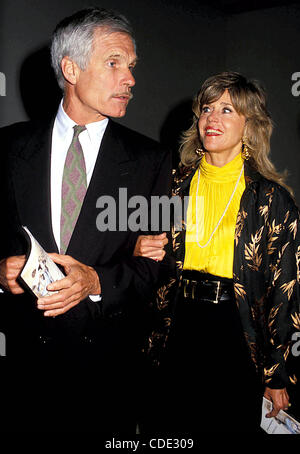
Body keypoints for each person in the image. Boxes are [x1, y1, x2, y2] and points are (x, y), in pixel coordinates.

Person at [0, 7, 171, 432]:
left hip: (107, 377)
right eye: (114, 63)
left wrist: (97, 282)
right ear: (71, 68)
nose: (130, 78)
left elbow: (165, 261)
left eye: (131, 66)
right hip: (26, 375)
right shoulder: (6, 147)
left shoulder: (153, 160)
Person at [135, 72, 300, 433]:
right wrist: (138, 245)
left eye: (227, 110)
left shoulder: (272, 200)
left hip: (235, 330)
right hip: (176, 324)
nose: (212, 119)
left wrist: (276, 372)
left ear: (250, 124)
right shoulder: (172, 184)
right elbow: (138, 251)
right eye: (207, 108)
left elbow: (285, 291)